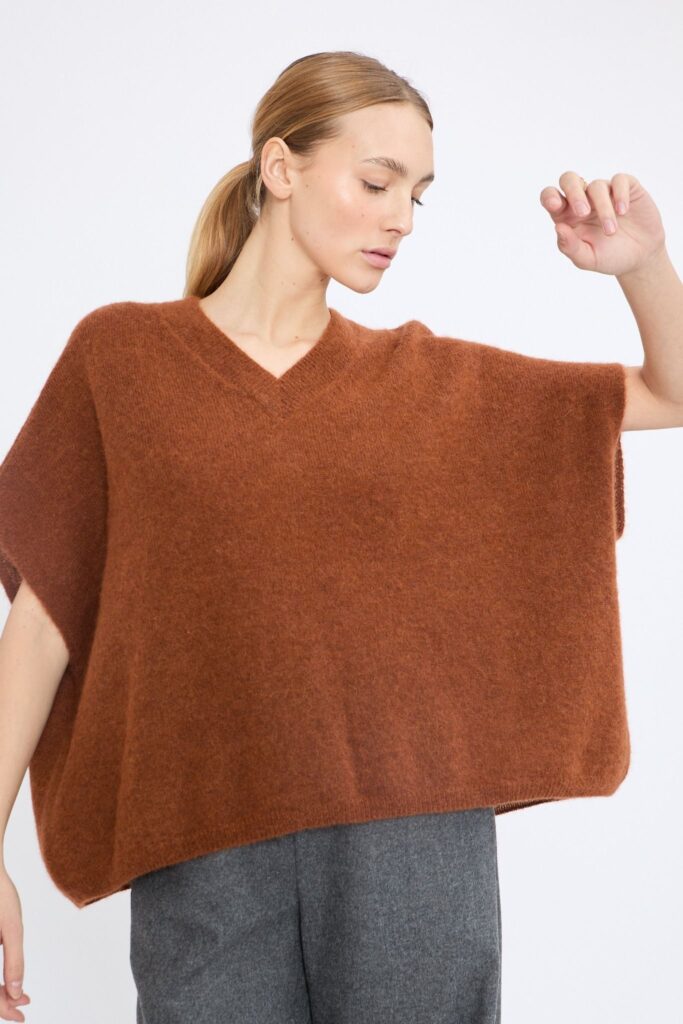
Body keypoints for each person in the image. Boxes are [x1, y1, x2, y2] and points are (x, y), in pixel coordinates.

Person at [0, 49, 681, 1024]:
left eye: (418, 194)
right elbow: (44, 620)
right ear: (280, 168)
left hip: (410, 837)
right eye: (376, 181)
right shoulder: (123, 359)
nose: (402, 217)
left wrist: (642, 264)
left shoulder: (432, 384)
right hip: (201, 833)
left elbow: (669, 392)